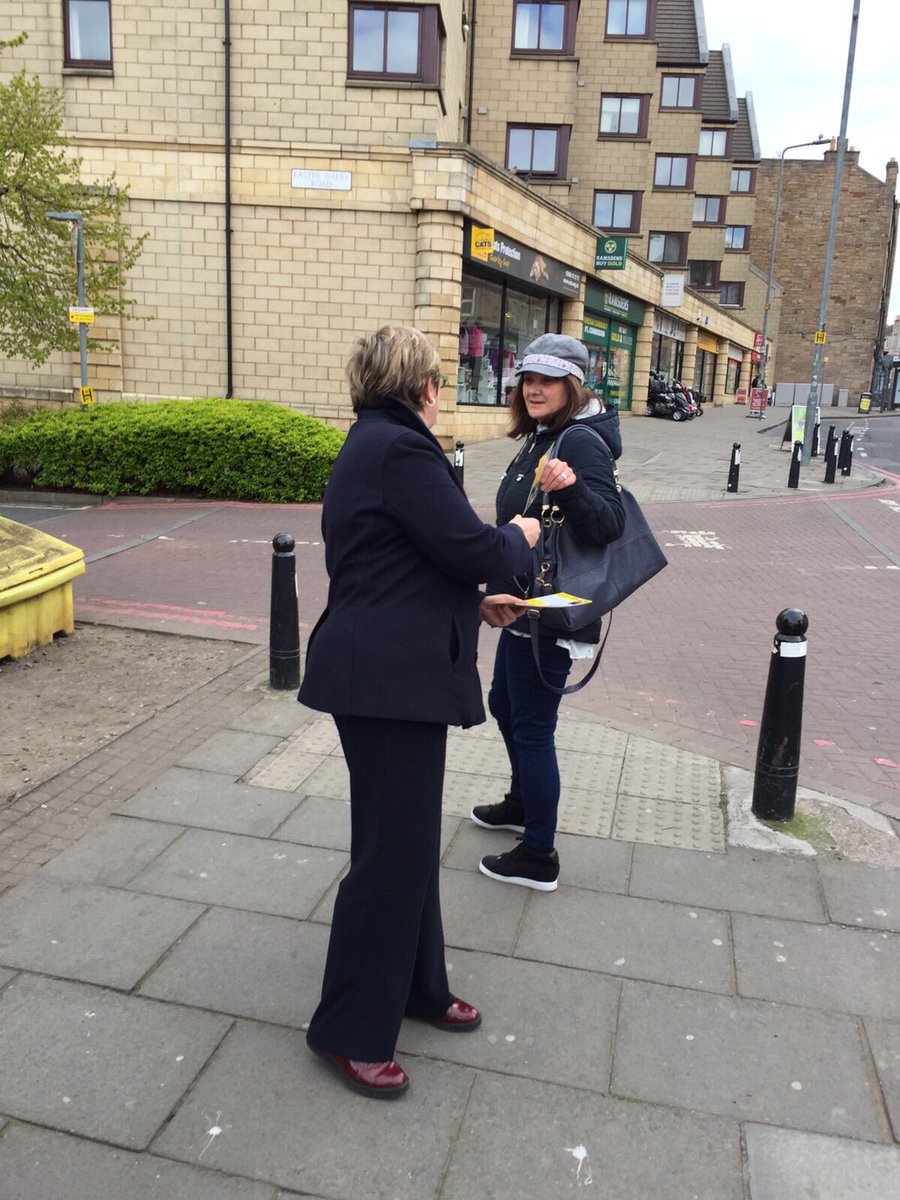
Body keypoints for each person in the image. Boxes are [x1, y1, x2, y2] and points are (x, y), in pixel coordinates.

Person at [299, 324, 539, 1099]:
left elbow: (396, 563)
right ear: (425, 388)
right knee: (387, 858)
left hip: (381, 674)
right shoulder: (402, 450)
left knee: (403, 847)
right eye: (441, 380)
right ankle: (346, 1029)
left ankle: (418, 989)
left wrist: (476, 606)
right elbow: (473, 545)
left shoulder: (372, 442)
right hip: (384, 684)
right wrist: (521, 535)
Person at [472, 333, 626, 891]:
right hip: (522, 605)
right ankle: (522, 801)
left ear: (572, 385)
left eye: (548, 380)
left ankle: (539, 854)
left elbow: (610, 525)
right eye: (528, 379)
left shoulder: (579, 442)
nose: (534, 389)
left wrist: (572, 489)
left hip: (551, 611)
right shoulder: (542, 435)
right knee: (505, 706)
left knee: (532, 725)